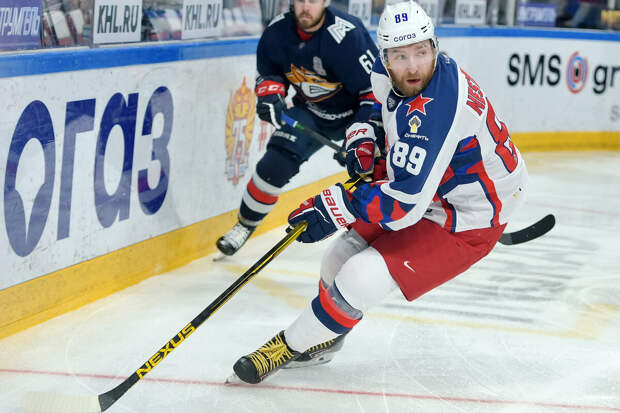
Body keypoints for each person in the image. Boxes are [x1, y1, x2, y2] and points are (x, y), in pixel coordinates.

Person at [228, 0, 528, 384]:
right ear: (384, 57)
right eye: (400, 56)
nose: (413, 66)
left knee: (360, 277)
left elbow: (404, 205)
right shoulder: (386, 72)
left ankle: (285, 347)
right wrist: (364, 136)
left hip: (470, 212)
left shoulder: (438, 107)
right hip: (432, 183)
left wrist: (336, 206)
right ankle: (324, 339)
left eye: (421, 52)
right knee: (337, 259)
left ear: (435, 46)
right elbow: (376, 106)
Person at [216, 0, 379, 256]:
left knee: (373, 171)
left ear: (325, 2)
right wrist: (270, 93)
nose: (305, 7)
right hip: (310, 112)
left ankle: (375, 236)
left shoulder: (348, 35)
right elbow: (269, 71)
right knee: (273, 167)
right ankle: (244, 225)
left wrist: (359, 136)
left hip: (356, 114)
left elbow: (373, 92)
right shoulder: (278, 31)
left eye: (313, 0)